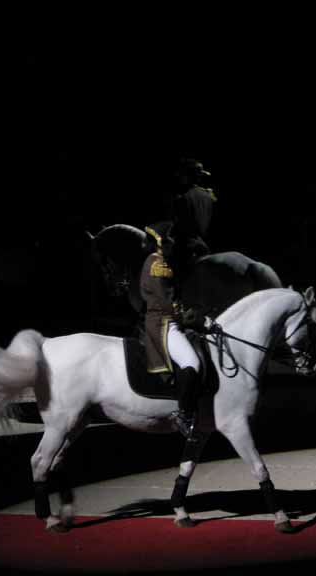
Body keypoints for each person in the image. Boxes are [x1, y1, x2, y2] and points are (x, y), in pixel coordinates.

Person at [139, 220, 202, 438]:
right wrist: (185, 317)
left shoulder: (162, 261)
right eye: (170, 239)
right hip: (163, 322)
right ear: (160, 241)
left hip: (168, 319)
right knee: (191, 362)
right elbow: (164, 301)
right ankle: (183, 415)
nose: (173, 243)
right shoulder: (156, 263)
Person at [170, 158, 218, 283]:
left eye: (181, 176)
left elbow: (177, 225)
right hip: (207, 245)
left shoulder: (181, 197)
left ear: (186, 176)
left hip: (186, 246)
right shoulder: (210, 196)